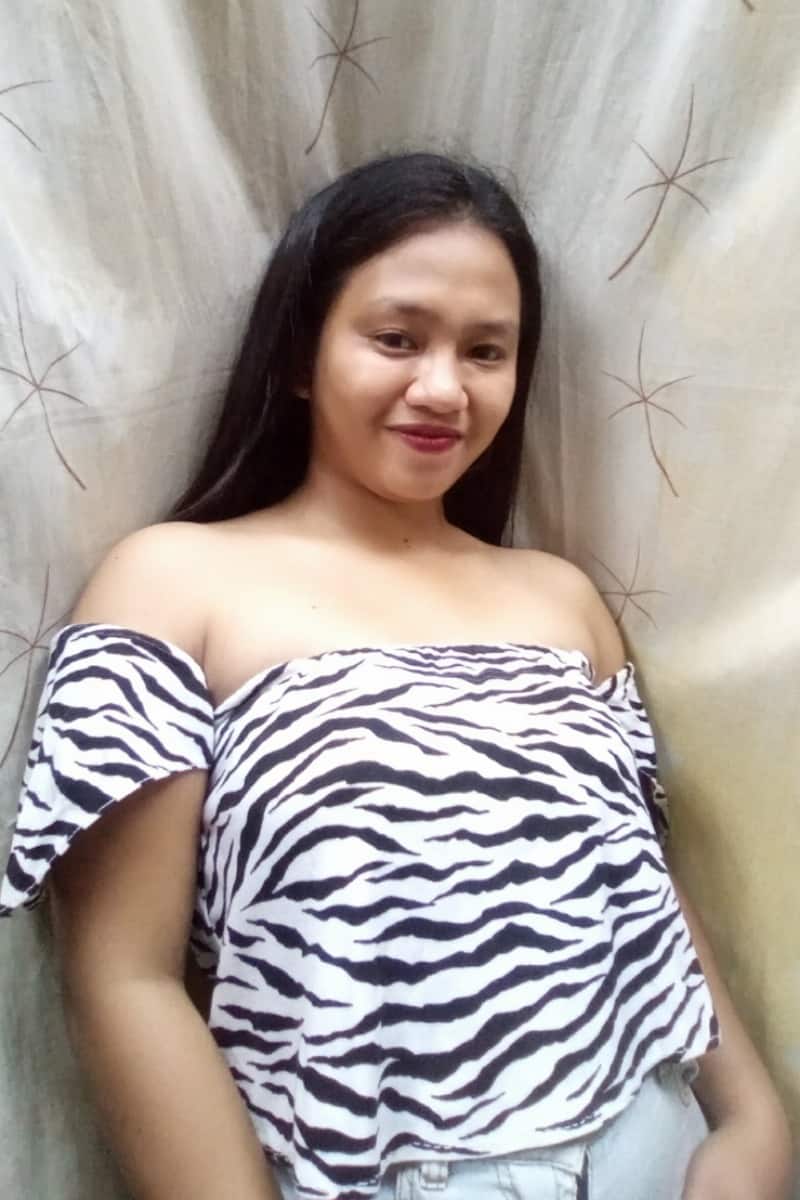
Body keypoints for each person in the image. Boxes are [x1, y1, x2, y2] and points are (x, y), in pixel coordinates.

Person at [0, 152, 791, 1200]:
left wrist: (749, 1120)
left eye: (486, 351)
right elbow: (122, 976)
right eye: (396, 338)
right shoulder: (168, 583)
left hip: (656, 1143)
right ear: (300, 352)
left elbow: (638, 885)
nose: (442, 389)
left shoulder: (560, 597)